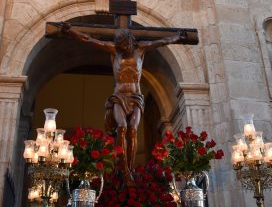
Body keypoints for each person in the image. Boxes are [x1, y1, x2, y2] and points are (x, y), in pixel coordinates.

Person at [60, 22, 189, 183]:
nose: (125, 47)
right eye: (121, 45)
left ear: (131, 41)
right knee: (122, 127)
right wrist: (71, 31)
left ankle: (130, 167)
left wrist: (177, 37)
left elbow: (161, 42)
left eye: (126, 44)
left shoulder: (140, 48)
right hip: (119, 96)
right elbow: (89, 40)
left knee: (133, 129)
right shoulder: (114, 50)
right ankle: (124, 168)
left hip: (136, 97)